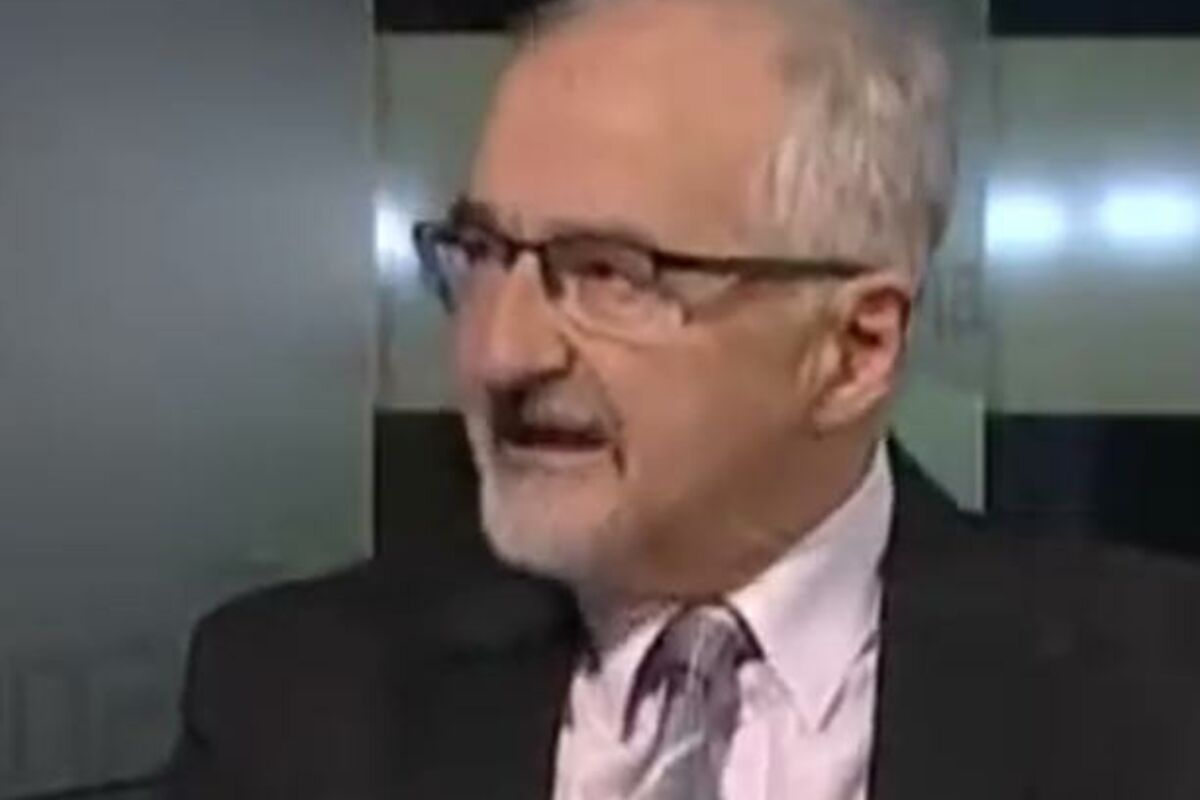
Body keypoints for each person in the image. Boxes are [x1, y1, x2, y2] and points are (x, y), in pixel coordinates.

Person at [167, 0, 1200, 797]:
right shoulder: (293, 694)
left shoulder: (1160, 698)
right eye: (481, 253)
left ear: (854, 348)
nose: (501, 351)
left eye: (611, 273)